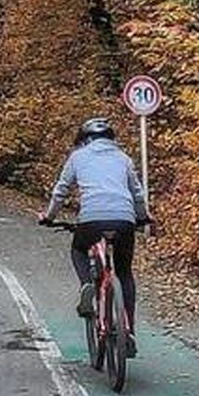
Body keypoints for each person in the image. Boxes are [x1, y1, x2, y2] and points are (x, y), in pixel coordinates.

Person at [38, 117, 148, 357]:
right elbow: (137, 194)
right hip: (124, 220)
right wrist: (143, 218)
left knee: (78, 249)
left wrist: (49, 216)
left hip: (91, 219)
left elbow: (61, 190)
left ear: (85, 140)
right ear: (111, 139)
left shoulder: (78, 157)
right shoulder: (124, 159)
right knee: (125, 272)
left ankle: (87, 284)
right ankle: (128, 332)